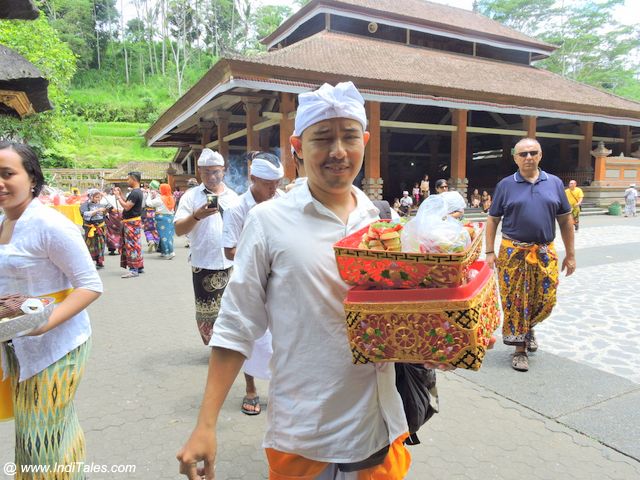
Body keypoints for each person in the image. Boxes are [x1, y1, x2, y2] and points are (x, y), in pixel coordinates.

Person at [176, 82, 431, 480]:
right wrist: (205, 424)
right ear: (297, 146)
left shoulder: (384, 222)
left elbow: (404, 316)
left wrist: (435, 344)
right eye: (322, 138)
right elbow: (237, 324)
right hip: (304, 432)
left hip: (380, 427)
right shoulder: (268, 222)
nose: (338, 152)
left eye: (349, 137)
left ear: (364, 140)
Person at [0, 141, 102, 476]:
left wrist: (45, 323)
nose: (0, 182)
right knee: (52, 434)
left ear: (31, 178)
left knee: (39, 440)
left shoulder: (49, 224)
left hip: (58, 346)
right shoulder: (2, 221)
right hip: (18, 345)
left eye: (7, 174)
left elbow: (90, 284)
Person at [485, 138, 575, 372]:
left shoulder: (554, 183)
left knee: (546, 299)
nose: (528, 158)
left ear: (540, 155)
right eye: (523, 154)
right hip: (513, 252)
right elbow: (493, 220)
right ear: (515, 157)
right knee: (516, 300)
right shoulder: (506, 185)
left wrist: (571, 254)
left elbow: (565, 220)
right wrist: (489, 252)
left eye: (533, 153)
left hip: (545, 251)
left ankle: (528, 327)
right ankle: (520, 349)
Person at [222, 151, 284, 416]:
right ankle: (250, 389)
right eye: (268, 184)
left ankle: (281, 391)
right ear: (253, 178)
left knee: (281, 338)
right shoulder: (237, 208)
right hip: (250, 282)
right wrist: (260, 256)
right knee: (251, 336)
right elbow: (228, 250)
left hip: (280, 282)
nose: (274, 189)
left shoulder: (283, 202)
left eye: (277, 183)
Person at [174, 148, 239, 345]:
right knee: (207, 314)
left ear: (224, 170)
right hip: (205, 263)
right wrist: (196, 216)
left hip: (232, 262)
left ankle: (228, 347)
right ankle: (217, 348)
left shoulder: (233, 196)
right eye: (206, 172)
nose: (212, 176)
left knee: (233, 310)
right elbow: (178, 229)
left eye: (216, 171)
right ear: (199, 173)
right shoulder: (191, 196)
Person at [113, 171, 145, 278]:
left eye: (128, 179)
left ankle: (133, 269)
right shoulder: (136, 192)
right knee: (135, 244)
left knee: (132, 245)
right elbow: (128, 203)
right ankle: (139, 266)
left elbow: (126, 207)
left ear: (133, 179)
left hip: (131, 222)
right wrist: (121, 195)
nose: (127, 181)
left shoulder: (136, 192)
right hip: (132, 221)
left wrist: (118, 197)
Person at [80, 188, 108, 269]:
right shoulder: (84, 205)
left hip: (100, 227)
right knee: (90, 244)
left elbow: (105, 213)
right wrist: (97, 211)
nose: (98, 199)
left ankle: (100, 262)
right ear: (90, 197)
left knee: (101, 244)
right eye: (96, 197)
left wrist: (105, 211)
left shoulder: (102, 204)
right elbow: (85, 214)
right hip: (90, 228)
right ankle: (88, 262)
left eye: (99, 197)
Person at [146, 183, 176, 259]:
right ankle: (169, 251)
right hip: (170, 218)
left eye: (160, 188)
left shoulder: (160, 199)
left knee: (163, 236)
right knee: (169, 235)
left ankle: (167, 253)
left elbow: (149, 203)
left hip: (162, 219)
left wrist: (149, 195)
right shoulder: (171, 197)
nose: (159, 190)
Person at [103, 186, 123, 256]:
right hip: (112, 217)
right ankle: (112, 249)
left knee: (121, 233)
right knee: (111, 232)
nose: (116, 192)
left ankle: (120, 248)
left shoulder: (122, 198)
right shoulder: (109, 198)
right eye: (114, 190)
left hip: (120, 217)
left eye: (117, 190)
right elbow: (105, 205)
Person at [143, 180, 161, 253]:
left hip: (148, 212)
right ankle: (156, 242)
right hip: (157, 212)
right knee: (155, 229)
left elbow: (146, 203)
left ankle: (150, 241)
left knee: (147, 228)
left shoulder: (148, 193)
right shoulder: (159, 194)